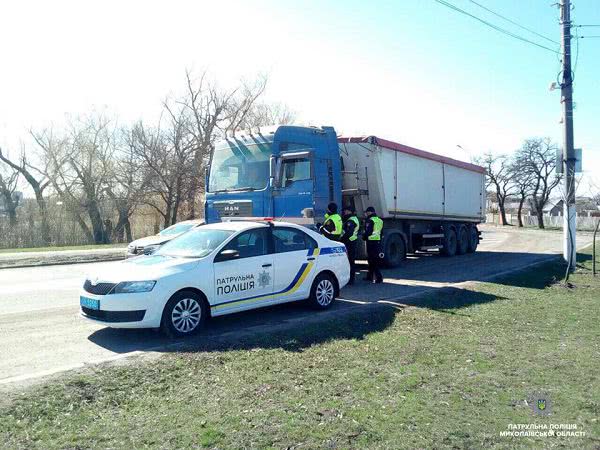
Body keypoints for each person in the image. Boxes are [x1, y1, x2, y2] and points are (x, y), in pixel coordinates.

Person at [362, 206, 383, 283]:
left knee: (371, 260)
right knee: (373, 260)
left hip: (370, 242)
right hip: (377, 241)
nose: (366, 214)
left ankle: (378, 277)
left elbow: (368, 232)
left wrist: (364, 237)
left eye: (367, 212)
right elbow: (381, 232)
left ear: (370, 212)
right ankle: (370, 276)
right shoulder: (380, 220)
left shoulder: (369, 220)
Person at [341, 205, 359, 284]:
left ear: (349, 211)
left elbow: (348, 233)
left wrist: (341, 239)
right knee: (351, 261)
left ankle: (351, 279)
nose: (344, 212)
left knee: (350, 261)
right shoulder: (353, 219)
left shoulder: (350, 221)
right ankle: (351, 278)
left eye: (345, 211)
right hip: (352, 241)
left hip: (349, 242)